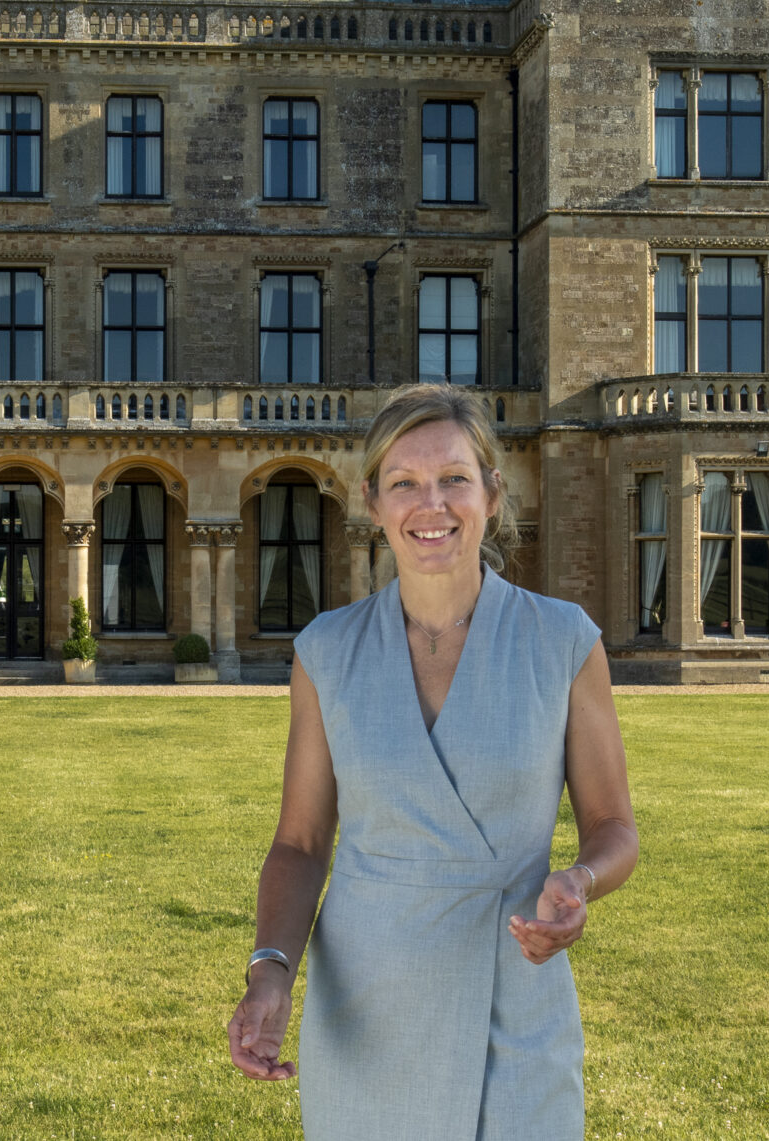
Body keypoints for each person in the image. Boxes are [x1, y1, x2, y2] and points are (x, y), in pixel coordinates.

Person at [225, 384, 637, 1140]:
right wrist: (270, 970)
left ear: (491, 490)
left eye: (453, 477)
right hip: (366, 1014)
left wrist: (579, 880)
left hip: (513, 1001)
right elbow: (301, 842)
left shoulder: (564, 641)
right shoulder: (326, 651)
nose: (432, 504)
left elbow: (614, 825)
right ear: (373, 502)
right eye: (405, 482)